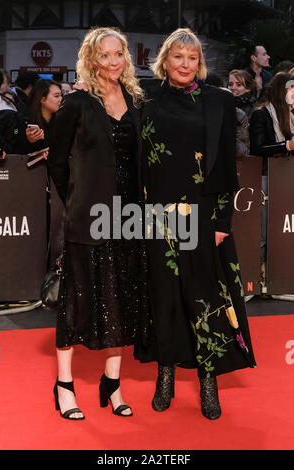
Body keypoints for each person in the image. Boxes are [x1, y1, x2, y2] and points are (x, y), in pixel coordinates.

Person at [134, 28, 256, 420]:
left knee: (206, 299)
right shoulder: (145, 97)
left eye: (192, 58)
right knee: (164, 296)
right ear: (164, 61)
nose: (185, 65)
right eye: (177, 57)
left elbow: (225, 166)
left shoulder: (218, 100)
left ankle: (208, 382)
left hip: (203, 215)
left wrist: (223, 220)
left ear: (199, 62)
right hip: (156, 215)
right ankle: (165, 374)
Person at [47, 27, 148, 420]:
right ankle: (65, 385)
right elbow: (56, 162)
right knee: (76, 303)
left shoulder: (137, 101)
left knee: (121, 299)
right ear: (91, 59)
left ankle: (113, 382)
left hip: (128, 218)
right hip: (88, 217)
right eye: (104, 55)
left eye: (118, 53)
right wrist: (76, 201)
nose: (113, 62)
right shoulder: (76, 103)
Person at [250, 72, 294, 266]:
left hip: (288, 177)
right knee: (267, 228)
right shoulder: (262, 114)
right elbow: (256, 148)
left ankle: (281, 272)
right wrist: (286, 146)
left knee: (285, 228)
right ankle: (262, 272)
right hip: (268, 178)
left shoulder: (291, 115)